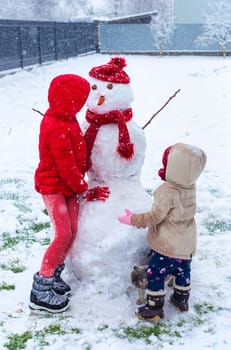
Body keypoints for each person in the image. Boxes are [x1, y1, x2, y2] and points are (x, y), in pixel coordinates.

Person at [30, 74, 110, 313]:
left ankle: (54, 275)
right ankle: (40, 289)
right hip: (54, 186)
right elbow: (65, 166)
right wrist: (85, 191)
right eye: (79, 99)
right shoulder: (54, 125)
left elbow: (78, 148)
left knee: (72, 231)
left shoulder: (69, 118)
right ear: (68, 100)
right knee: (62, 233)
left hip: (70, 187)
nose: (83, 104)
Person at [118, 143, 207, 321]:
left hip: (168, 246)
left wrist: (132, 219)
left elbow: (154, 217)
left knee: (156, 273)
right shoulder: (189, 186)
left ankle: (154, 308)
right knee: (183, 270)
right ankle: (181, 299)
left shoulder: (167, 191)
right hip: (186, 243)